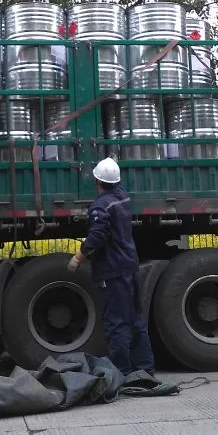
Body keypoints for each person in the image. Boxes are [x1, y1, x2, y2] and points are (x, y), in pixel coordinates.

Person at [68, 157, 155, 377]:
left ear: (97, 181)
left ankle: (121, 373)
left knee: (117, 323)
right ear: (116, 182)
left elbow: (97, 235)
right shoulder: (122, 198)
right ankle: (145, 370)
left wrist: (79, 256)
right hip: (130, 267)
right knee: (136, 320)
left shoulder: (101, 206)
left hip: (113, 271)